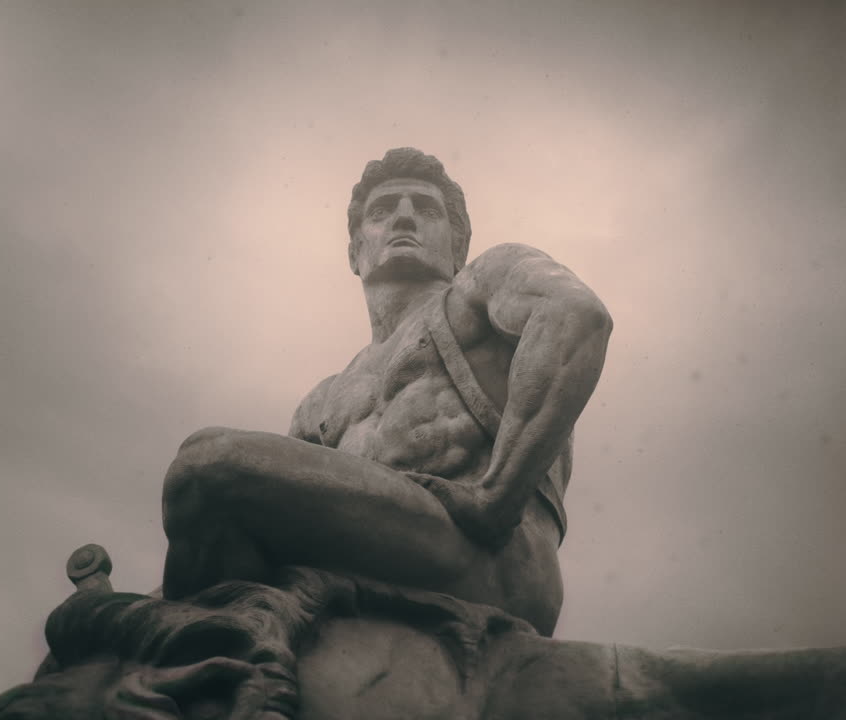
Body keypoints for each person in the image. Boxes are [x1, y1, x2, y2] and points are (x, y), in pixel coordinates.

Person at [161, 148, 611, 635]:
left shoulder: (484, 286)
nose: (404, 217)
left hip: (488, 555)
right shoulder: (321, 402)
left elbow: (576, 315)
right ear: (355, 253)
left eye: (426, 209)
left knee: (207, 465)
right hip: (382, 553)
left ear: (459, 246)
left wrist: (497, 497)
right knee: (211, 520)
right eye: (382, 210)